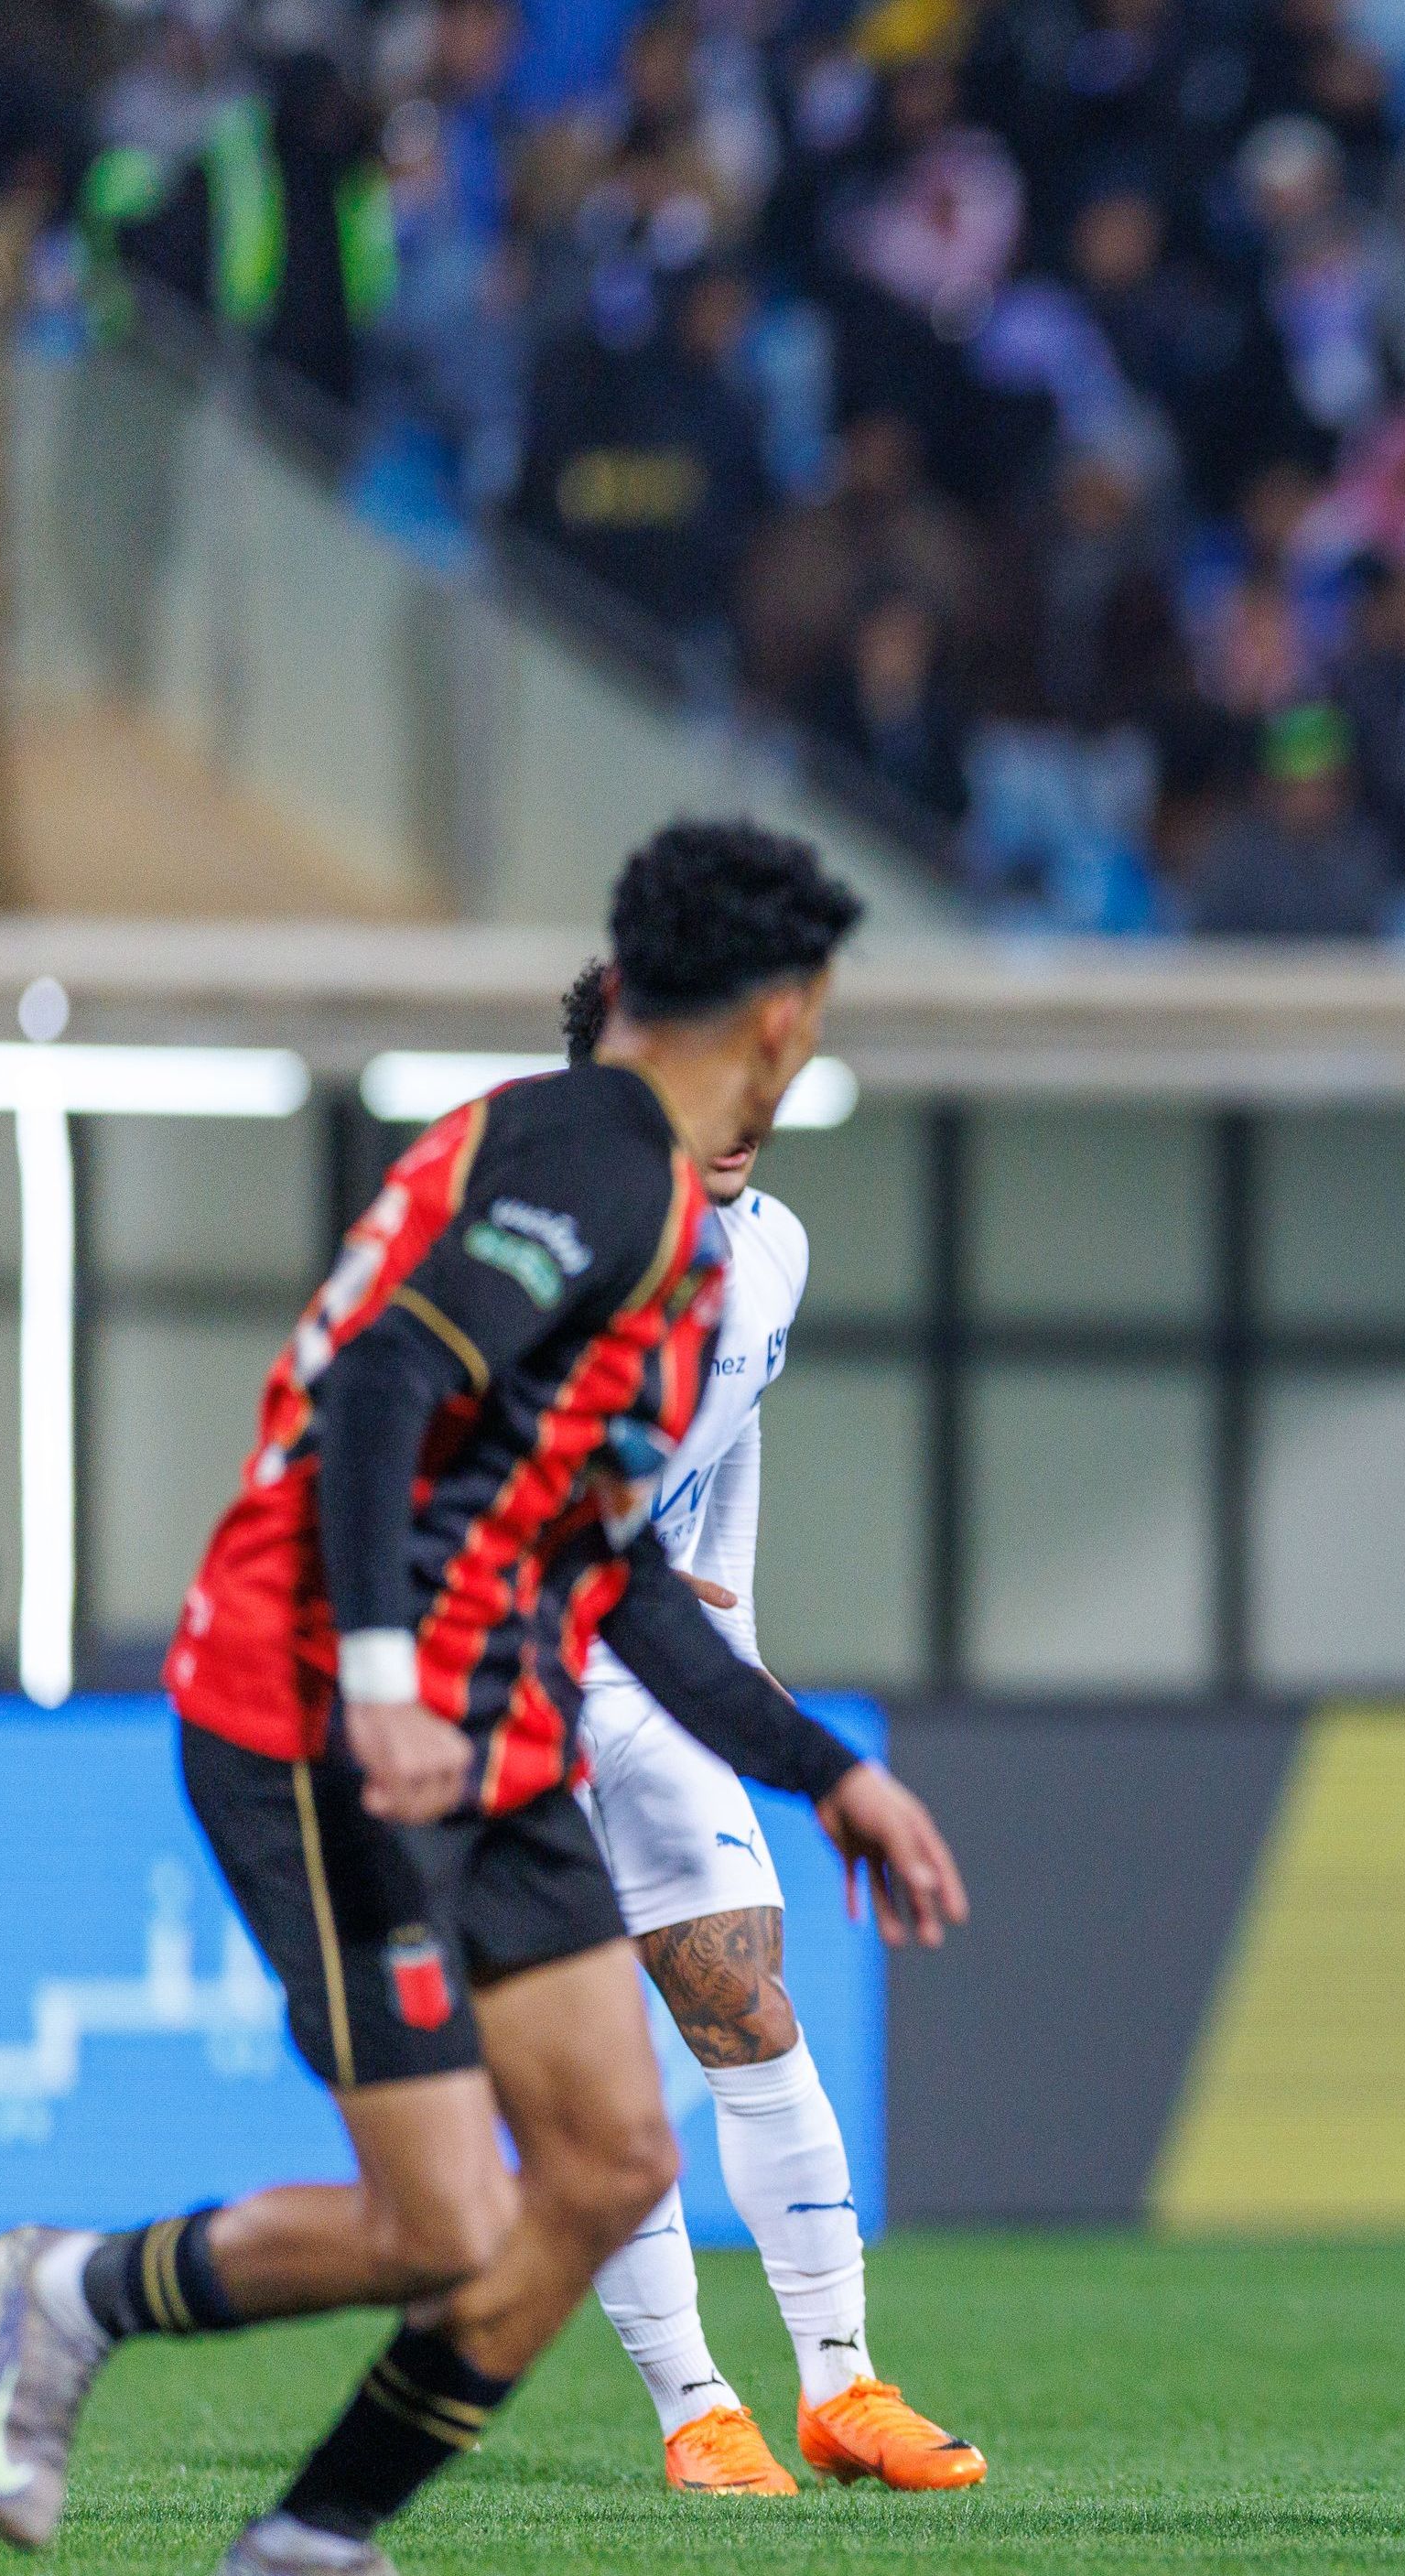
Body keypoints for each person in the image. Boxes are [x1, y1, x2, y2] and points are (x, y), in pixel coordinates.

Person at [0, 823, 967, 2576]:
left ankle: (311, 2538)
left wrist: (827, 1773)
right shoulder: (596, 1175)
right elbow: (377, 1388)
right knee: (447, 2219)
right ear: (783, 1013)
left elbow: (608, 1567)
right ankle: (60, 2290)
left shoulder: (658, 1202)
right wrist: (370, 1675)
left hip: (496, 1692)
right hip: (312, 1706)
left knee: (601, 2160)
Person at [545, 966, 982, 2498]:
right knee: (590, 2068)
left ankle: (841, 2387)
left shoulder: (771, 1251)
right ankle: (692, 2407)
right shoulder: (543, 1263)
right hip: (495, 1692)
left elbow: (732, 1439)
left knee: (744, 1992)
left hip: (650, 1661)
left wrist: (728, 1635)